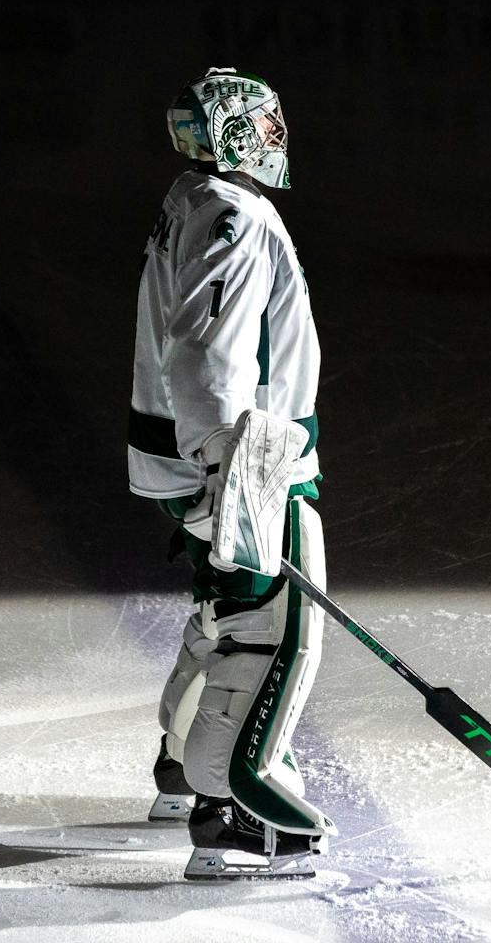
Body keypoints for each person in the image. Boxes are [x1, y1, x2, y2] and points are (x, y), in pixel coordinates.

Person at [127, 68, 335, 879]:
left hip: (191, 453)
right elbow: (210, 350)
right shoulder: (236, 217)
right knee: (272, 629)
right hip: (239, 455)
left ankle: (183, 769)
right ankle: (238, 815)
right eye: (266, 124)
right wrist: (232, 473)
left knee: (223, 608)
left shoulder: (195, 199)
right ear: (237, 133)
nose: (278, 138)